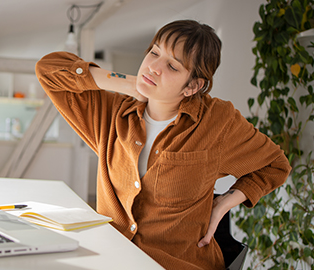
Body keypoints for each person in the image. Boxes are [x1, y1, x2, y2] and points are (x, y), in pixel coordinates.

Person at [35, 20, 291, 269]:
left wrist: (224, 202)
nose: (154, 67)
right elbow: (48, 69)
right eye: (154, 52)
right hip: (114, 260)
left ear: (193, 86)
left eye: (172, 66)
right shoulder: (113, 114)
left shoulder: (217, 121)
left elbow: (275, 165)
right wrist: (128, 84)